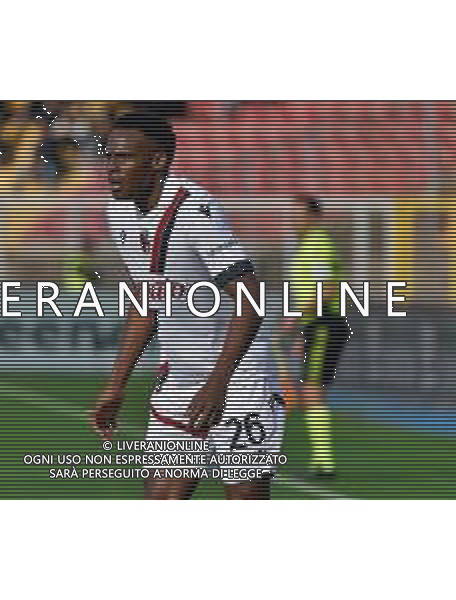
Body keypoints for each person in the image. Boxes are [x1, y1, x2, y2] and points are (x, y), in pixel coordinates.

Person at [91, 111, 285, 500]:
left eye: (124, 158)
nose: (111, 168)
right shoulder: (119, 211)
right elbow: (148, 297)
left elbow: (252, 297)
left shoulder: (193, 210)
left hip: (238, 381)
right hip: (179, 378)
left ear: (159, 161)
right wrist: (116, 386)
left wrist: (218, 384)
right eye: (108, 156)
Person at [282, 195, 351, 478]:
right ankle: (321, 461)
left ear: (315, 217)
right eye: (293, 214)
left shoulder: (318, 243)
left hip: (325, 324)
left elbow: (327, 289)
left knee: (311, 392)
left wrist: (296, 320)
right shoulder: (307, 245)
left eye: (300, 214)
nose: (295, 219)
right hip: (318, 325)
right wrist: (302, 332)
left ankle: (324, 462)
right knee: (309, 392)